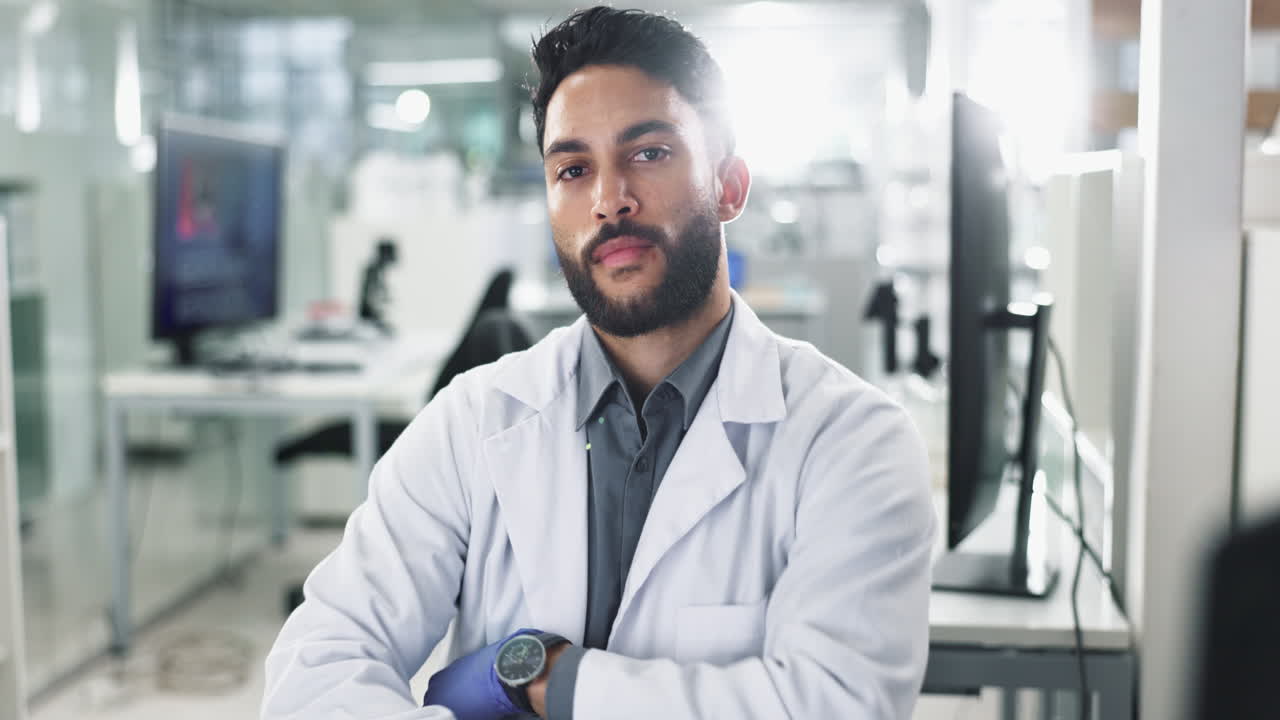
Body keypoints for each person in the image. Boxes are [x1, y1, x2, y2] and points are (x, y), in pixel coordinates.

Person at [261, 7, 935, 719]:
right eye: (574, 168)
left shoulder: (855, 442)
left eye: (649, 153)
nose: (609, 201)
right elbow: (318, 666)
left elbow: (836, 705)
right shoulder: (473, 421)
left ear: (729, 186)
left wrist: (550, 680)